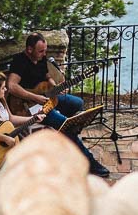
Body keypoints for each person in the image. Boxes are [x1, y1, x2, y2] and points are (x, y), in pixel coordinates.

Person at [6, 33, 110, 177]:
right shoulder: (19, 61)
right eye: (40, 51)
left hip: (47, 98)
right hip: (28, 107)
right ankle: (90, 164)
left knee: (77, 103)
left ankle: (68, 135)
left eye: (45, 50)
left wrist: (56, 87)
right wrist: (35, 97)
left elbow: (46, 76)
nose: (44, 54)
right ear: (29, 49)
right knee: (66, 125)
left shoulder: (41, 58)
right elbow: (11, 86)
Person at [0, 71, 43, 150]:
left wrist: (33, 118)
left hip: (1, 145)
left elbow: (11, 118)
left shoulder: (0, 100)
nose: (6, 89)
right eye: (3, 88)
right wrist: (5, 138)